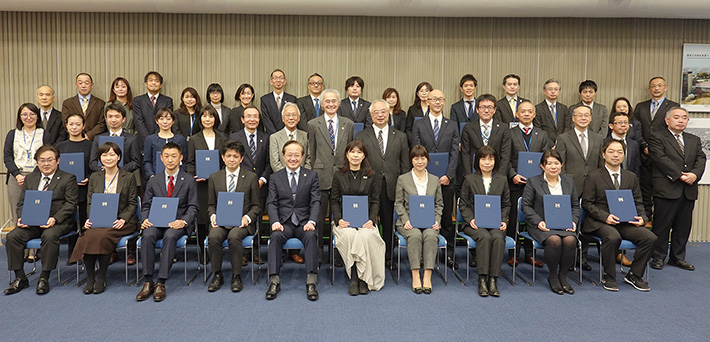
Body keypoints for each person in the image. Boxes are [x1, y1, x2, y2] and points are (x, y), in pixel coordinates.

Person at [581, 139, 656, 291]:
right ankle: (609, 276)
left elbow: (638, 202)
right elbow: (587, 203)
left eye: (619, 152)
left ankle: (634, 275)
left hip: (625, 222)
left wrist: (642, 218)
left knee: (650, 238)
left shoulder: (631, 177)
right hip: (600, 222)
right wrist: (605, 217)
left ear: (624, 155)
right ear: (603, 155)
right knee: (613, 237)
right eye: (611, 151)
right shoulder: (593, 176)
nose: (616, 155)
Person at [4, 144, 78, 295]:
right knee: (12, 236)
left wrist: (54, 219)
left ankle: (44, 277)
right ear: (37, 162)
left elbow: (71, 204)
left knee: (49, 236)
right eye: (42, 160)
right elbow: (21, 203)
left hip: (58, 222)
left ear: (57, 161)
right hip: (32, 222)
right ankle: (20, 277)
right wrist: (21, 218)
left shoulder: (68, 178)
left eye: (50, 160)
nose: (46, 163)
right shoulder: (30, 178)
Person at [69, 142, 138, 294]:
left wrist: (123, 219)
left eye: (112, 154)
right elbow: (90, 201)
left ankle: (101, 277)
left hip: (121, 221)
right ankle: (90, 278)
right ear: (100, 158)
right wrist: (90, 219)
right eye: (105, 155)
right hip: (99, 219)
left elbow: (133, 203)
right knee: (88, 235)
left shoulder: (128, 176)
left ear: (119, 157)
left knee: (104, 235)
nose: (108, 158)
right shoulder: (95, 177)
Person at [136, 142, 198, 302]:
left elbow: (193, 207)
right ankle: (148, 280)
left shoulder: (189, 180)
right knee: (148, 235)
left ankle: (161, 282)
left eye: (174, 156)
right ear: (161, 158)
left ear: (181, 158)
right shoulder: (153, 180)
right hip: (156, 222)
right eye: (167, 156)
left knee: (170, 236)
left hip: (177, 223)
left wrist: (183, 222)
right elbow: (146, 205)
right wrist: (145, 219)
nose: (170, 160)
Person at [354, 99, 410, 271]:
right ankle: (368, 256)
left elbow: (405, 165)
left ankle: (388, 257)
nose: (380, 115)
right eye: (376, 112)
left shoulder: (400, 136)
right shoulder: (361, 136)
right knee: (367, 224)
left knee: (388, 223)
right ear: (371, 115)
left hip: (391, 186)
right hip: (368, 186)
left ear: (388, 114)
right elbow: (357, 162)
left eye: (383, 112)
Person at [648, 107, 705, 271]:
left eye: (684, 117)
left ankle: (678, 257)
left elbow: (701, 159)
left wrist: (694, 175)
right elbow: (660, 158)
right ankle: (657, 257)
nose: (681, 120)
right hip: (667, 187)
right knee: (662, 226)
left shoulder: (694, 139)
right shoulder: (657, 137)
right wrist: (680, 175)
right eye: (677, 117)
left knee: (683, 226)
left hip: (688, 190)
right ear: (667, 120)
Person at [265, 140, 321, 301]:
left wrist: (312, 221)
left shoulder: (311, 176)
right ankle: (274, 280)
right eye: (289, 155)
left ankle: (311, 281)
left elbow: (316, 201)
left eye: (297, 155)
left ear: (302, 157)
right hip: (284, 223)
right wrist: (274, 221)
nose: (293, 158)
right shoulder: (275, 177)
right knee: (275, 237)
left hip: (304, 223)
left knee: (311, 237)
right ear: (283, 156)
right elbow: (272, 202)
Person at [411, 89, 459, 269]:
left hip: (447, 179)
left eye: (440, 99)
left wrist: (449, 175)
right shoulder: (418, 123)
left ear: (444, 102)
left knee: (446, 218)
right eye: (434, 99)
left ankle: (448, 255)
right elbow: (416, 151)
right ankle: (422, 256)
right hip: (423, 179)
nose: (437, 102)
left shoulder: (452, 124)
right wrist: (426, 176)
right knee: (423, 218)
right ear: (427, 101)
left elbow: (455, 152)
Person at [521, 150, 580, 295]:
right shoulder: (533, 181)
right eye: (549, 164)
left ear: (562, 165)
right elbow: (525, 206)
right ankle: (553, 276)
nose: (553, 167)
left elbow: (575, 206)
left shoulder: (569, 182)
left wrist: (573, 221)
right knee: (554, 241)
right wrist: (538, 221)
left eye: (556, 163)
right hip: (541, 225)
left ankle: (563, 276)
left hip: (564, 223)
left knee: (570, 240)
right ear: (542, 166)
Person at [330, 140, 385, 294]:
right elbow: (334, 200)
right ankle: (355, 278)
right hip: (344, 223)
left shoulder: (371, 175)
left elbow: (375, 201)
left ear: (364, 156)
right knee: (350, 235)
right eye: (352, 152)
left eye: (359, 152)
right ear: (347, 155)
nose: (355, 155)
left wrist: (371, 220)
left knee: (366, 236)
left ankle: (364, 278)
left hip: (365, 221)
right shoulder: (338, 175)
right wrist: (339, 219)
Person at [206, 140, 261, 292]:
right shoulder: (214, 177)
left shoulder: (250, 177)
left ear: (241, 158)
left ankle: (236, 276)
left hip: (241, 222)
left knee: (234, 236)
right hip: (221, 221)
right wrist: (213, 216)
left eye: (235, 156)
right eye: (228, 156)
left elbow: (256, 205)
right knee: (214, 237)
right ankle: (217, 274)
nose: (232, 159)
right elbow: (210, 204)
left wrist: (247, 218)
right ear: (223, 157)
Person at [307, 89, 355, 262]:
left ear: (339, 103)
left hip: (342, 175)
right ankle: (318, 255)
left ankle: (339, 253)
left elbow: (350, 151)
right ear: (322, 104)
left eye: (334, 101)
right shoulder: (313, 124)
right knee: (320, 219)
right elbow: (311, 152)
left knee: (341, 218)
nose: (330, 104)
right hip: (320, 176)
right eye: (327, 101)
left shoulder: (348, 124)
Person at [555, 104, 604, 270]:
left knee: (587, 224)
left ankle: (582, 258)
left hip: (592, 187)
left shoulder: (598, 138)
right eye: (579, 115)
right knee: (571, 223)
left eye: (586, 115)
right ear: (573, 118)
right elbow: (559, 165)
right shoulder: (563, 138)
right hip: (570, 186)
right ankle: (568, 258)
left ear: (591, 118)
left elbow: (600, 164)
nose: (583, 118)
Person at [506, 101, 552, 268]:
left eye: (529, 112)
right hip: (515, 183)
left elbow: (547, 159)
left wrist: (540, 177)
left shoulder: (542, 134)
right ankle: (514, 254)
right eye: (522, 111)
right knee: (514, 220)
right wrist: (513, 175)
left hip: (536, 185)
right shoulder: (509, 133)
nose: (526, 114)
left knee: (534, 219)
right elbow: (506, 158)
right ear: (517, 115)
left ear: (534, 115)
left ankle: (530, 254)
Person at [460, 146, 510, 297]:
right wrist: (470, 219)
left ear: (495, 161)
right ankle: (482, 278)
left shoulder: (502, 180)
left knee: (498, 237)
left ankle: (493, 280)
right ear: (478, 161)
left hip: (495, 223)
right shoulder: (469, 179)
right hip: (475, 224)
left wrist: (503, 220)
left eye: (491, 159)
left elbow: (506, 204)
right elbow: (463, 204)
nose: (487, 162)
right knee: (484, 236)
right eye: (483, 159)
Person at [394, 145, 443, 294]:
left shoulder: (435, 180)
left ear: (427, 159)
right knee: (415, 235)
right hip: (408, 222)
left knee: (430, 235)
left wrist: (437, 220)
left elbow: (439, 204)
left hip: (430, 222)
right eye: (416, 158)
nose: (420, 161)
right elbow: (399, 203)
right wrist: (405, 219)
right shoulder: (403, 179)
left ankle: (427, 275)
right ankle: (415, 274)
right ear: (411, 160)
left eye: (423, 158)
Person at [633, 77, 680, 225]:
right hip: (644, 155)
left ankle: (659, 220)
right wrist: (644, 146)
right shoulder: (640, 107)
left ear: (666, 87)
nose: (656, 88)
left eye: (659, 86)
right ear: (649, 89)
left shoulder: (673, 106)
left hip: (664, 155)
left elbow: (672, 132)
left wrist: (657, 149)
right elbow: (636, 130)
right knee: (644, 188)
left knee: (661, 189)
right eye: (653, 86)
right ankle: (646, 218)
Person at [187, 106, 227, 264]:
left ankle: (215, 250)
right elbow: (189, 163)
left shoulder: (223, 138)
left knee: (217, 217)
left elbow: (226, 161)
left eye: (211, 116)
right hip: (201, 185)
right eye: (204, 116)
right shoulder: (194, 139)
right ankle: (202, 252)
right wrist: (193, 176)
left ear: (215, 119)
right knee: (202, 218)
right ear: (200, 119)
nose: (207, 119)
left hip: (218, 184)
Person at [4, 103, 50, 227]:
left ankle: (35, 246)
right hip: (16, 176)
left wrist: (34, 174)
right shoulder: (13, 134)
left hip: (37, 175)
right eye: (24, 114)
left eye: (32, 114)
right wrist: (17, 175)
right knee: (16, 211)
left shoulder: (44, 134)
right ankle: (19, 244)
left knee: (36, 210)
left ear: (37, 116)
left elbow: (47, 157)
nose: (28, 117)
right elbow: (7, 157)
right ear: (19, 117)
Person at [56, 113, 92, 245]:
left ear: (84, 126)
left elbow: (95, 166)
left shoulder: (91, 145)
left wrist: (88, 178)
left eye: (78, 124)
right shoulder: (60, 146)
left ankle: (84, 250)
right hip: (65, 190)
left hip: (85, 188)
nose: (74, 127)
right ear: (66, 126)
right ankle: (72, 251)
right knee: (69, 220)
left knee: (84, 220)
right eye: (71, 124)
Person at [461, 93, 512, 176]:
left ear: (494, 110)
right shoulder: (468, 128)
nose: (486, 111)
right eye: (483, 107)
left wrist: (500, 176)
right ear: (477, 109)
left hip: (496, 173)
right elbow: (465, 154)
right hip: (474, 173)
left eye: (490, 107)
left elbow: (505, 154)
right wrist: (469, 176)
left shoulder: (503, 128)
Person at [89, 103, 142, 173]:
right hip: (102, 177)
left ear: (123, 119)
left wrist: (118, 171)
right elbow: (93, 162)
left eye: (117, 116)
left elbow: (136, 162)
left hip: (124, 177)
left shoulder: (132, 139)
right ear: (106, 119)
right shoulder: (98, 139)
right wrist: (102, 170)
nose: (113, 120)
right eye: (110, 117)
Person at [143, 108, 188, 180]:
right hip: (156, 179)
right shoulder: (150, 139)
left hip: (177, 179)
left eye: (168, 119)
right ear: (156, 121)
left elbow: (185, 161)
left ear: (173, 121)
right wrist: (151, 175)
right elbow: (147, 161)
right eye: (161, 119)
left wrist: (180, 175)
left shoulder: (180, 139)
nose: (165, 122)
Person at [61, 73, 106, 141]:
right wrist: (77, 134)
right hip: (73, 139)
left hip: (93, 140)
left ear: (92, 85)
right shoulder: (67, 103)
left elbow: (102, 124)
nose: (83, 86)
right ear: (76, 85)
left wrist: (89, 135)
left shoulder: (100, 103)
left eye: (86, 83)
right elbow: (65, 122)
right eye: (80, 83)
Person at [133, 71, 174, 143]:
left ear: (161, 85)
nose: (153, 83)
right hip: (142, 141)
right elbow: (138, 121)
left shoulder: (167, 100)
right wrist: (148, 139)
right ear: (146, 83)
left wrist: (157, 138)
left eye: (157, 81)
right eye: (151, 80)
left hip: (162, 139)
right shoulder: (138, 100)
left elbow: (167, 120)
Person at [270, 103, 312, 172]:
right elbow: (275, 163)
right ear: (283, 118)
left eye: (294, 115)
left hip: (303, 179)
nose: (291, 118)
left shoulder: (306, 136)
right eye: (288, 115)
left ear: (299, 118)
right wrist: (286, 177)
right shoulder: (274, 137)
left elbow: (309, 158)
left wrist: (301, 176)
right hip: (282, 179)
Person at [260, 69, 297, 134]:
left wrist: (284, 134)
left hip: (287, 134)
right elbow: (266, 119)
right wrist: (275, 135)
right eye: (275, 78)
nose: (278, 80)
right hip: (270, 135)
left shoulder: (292, 99)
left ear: (285, 81)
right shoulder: (264, 99)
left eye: (281, 78)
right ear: (271, 81)